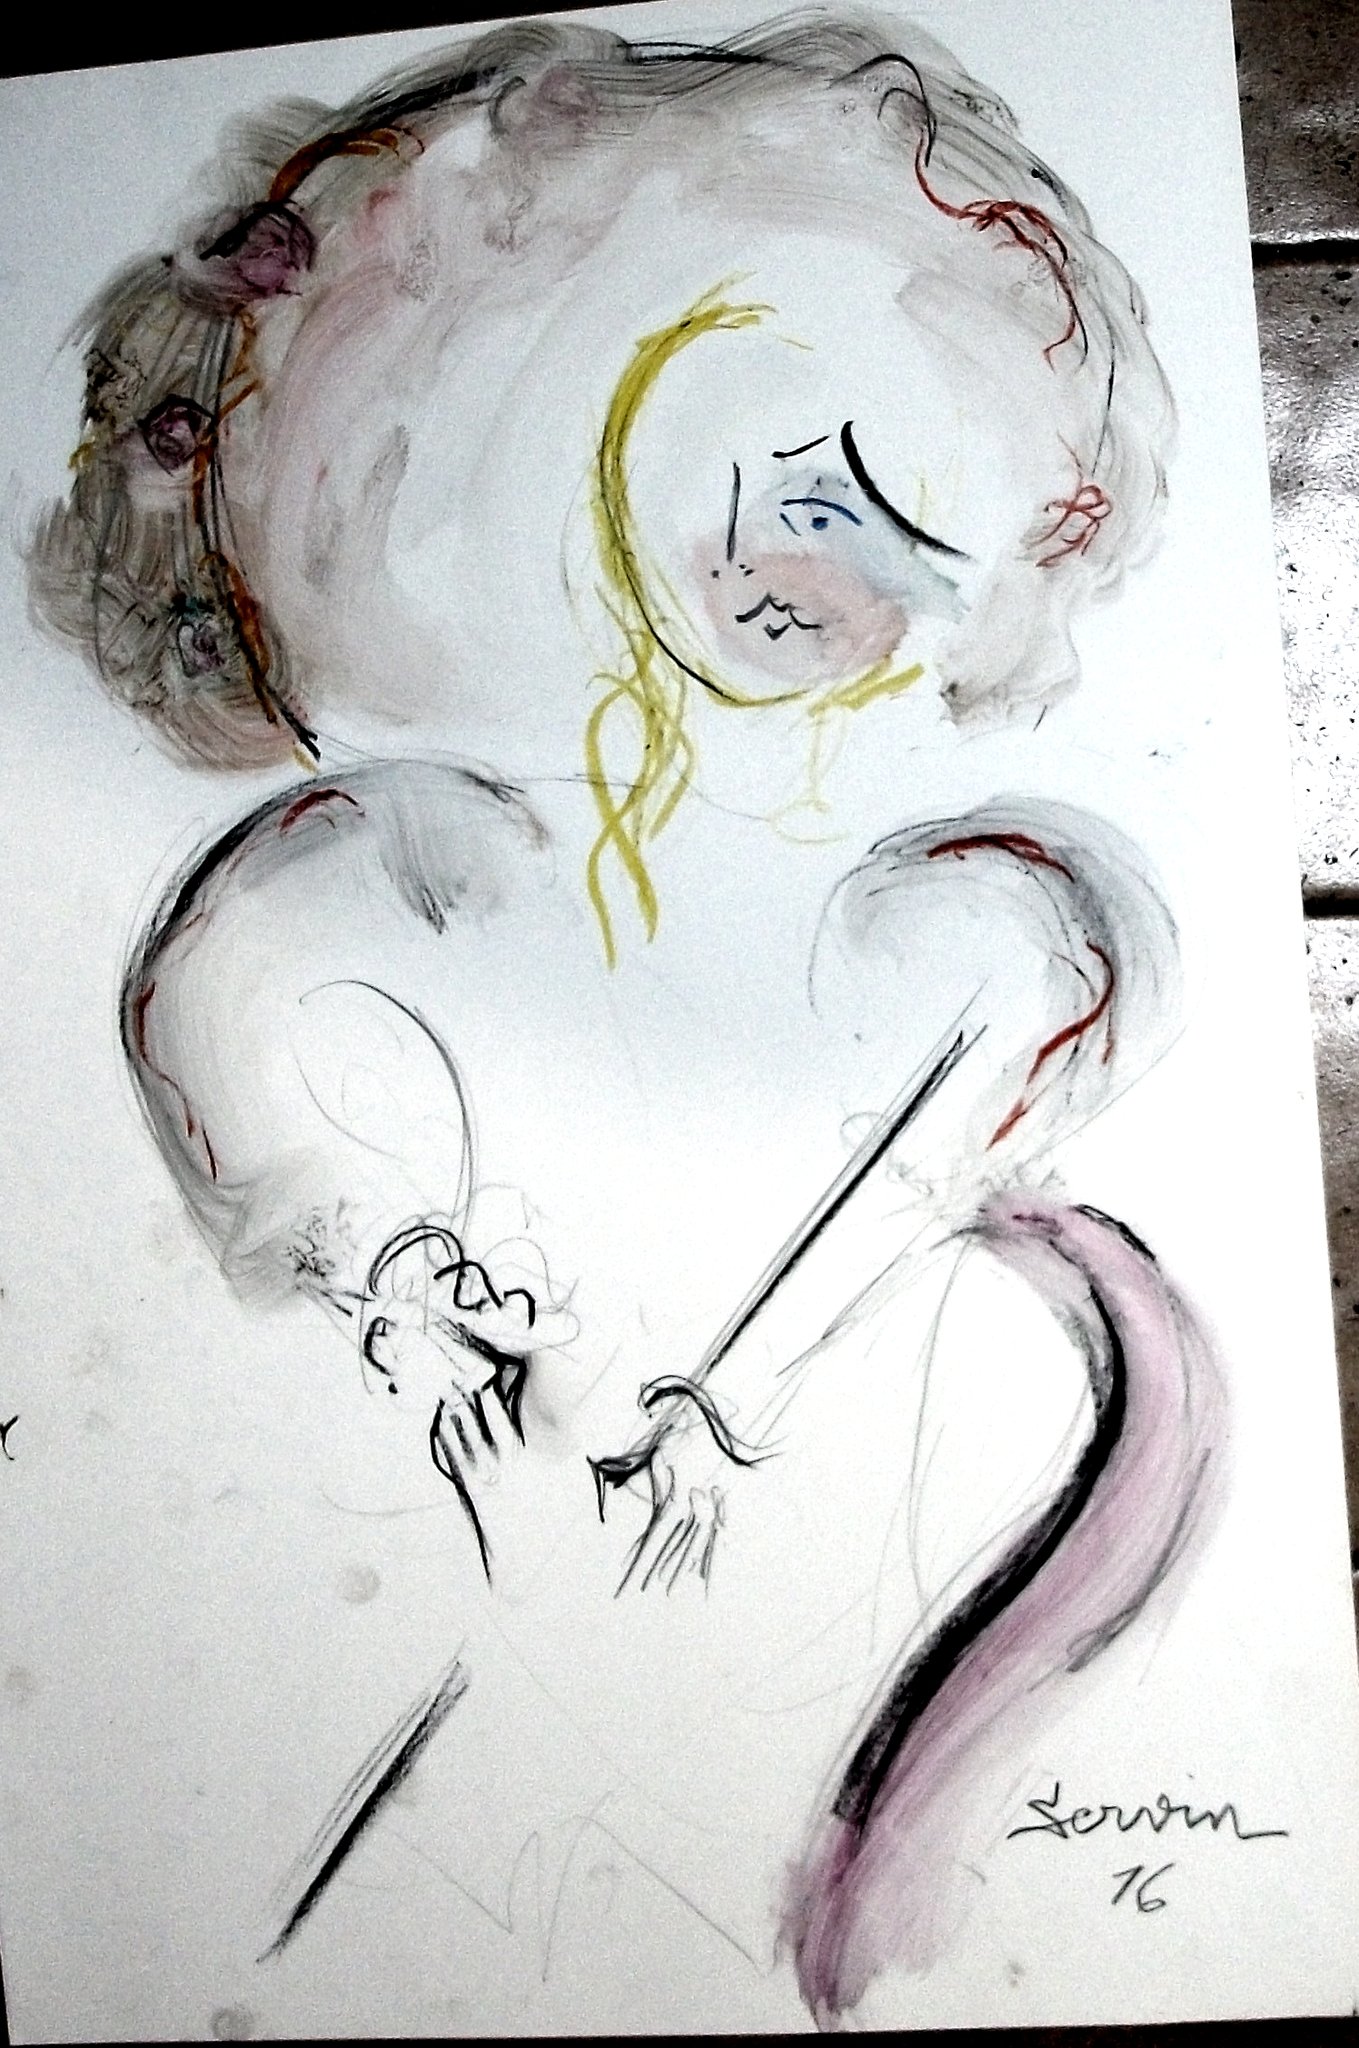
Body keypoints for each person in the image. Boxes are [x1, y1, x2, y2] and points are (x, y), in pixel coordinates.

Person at [30, 11, 1219, 2024]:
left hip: (743, 1606)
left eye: (918, 551)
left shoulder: (984, 927)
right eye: (807, 485)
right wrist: (416, 1300)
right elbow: (235, 1050)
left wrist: (719, 1406)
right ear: (606, 398)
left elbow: (966, 1101)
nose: (833, 582)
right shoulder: (364, 878)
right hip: (397, 1580)